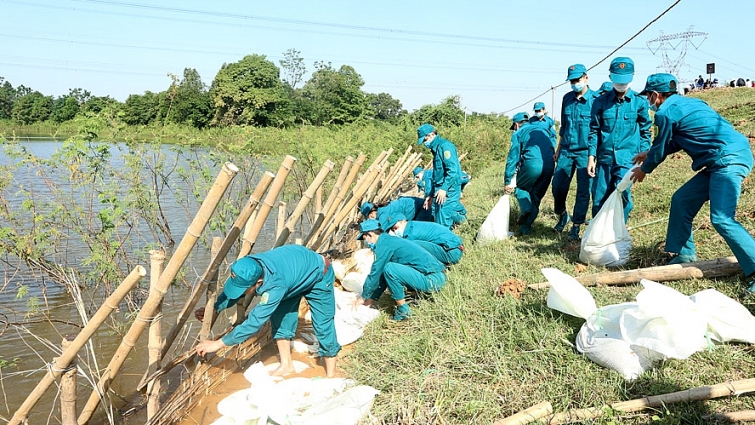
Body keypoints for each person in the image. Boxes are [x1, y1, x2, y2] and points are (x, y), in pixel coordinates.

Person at [630, 73, 755, 294]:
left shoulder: (665, 113)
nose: (648, 100)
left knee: (722, 218)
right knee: (682, 200)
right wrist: (648, 153)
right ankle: (684, 254)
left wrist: (645, 169)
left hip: (727, 160)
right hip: (720, 159)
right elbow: (678, 139)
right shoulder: (691, 103)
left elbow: (661, 148)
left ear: (656, 95)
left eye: (649, 96)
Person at [194, 245, 340, 377]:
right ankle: (286, 365)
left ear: (259, 283)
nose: (242, 293)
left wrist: (217, 344)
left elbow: (254, 323)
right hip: (293, 275)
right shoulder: (248, 266)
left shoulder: (275, 286)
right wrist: (214, 308)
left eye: (245, 290)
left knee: (323, 324)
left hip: (319, 275)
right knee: (280, 318)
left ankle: (331, 373)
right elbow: (236, 290)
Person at [587, 57, 652, 222]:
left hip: (628, 158)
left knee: (623, 196)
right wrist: (591, 157)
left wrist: (643, 156)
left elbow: (646, 131)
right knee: (599, 198)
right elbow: (594, 130)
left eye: (624, 81)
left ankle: (617, 234)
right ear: (610, 77)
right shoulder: (600, 102)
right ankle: (598, 235)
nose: (621, 85)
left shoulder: (639, 102)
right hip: (604, 159)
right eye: (618, 81)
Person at [351, 219, 446, 320]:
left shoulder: (383, 245)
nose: (366, 241)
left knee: (390, 268)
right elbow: (382, 276)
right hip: (436, 277)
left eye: (365, 238)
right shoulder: (389, 240)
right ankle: (416, 297)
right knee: (388, 269)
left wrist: (362, 298)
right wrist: (370, 300)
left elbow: (376, 273)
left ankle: (403, 310)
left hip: (433, 280)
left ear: (370, 234)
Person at [552, 63, 598, 240]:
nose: (574, 83)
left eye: (577, 80)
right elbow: (564, 126)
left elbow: (597, 129)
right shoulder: (566, 99)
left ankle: (576, 225)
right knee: (557, 186)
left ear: (586, 78)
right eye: (571, 81)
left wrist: (593, 155)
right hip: (566, 151)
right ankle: (562, 214)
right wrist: (558, 148)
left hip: (585, 153)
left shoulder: (596, 100)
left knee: (583, 191)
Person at [504, 112, 555, 235]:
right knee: (536, 196)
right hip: (550, 165)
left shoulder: (518, 133)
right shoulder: (542, 130)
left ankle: (525, 208)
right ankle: (525, 228)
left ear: (516, 125)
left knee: (520, 188)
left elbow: (513, 158)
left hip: (532, 164)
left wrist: (507, 180)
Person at [416, 124, 467, 228]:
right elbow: (437, 176)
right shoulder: (436, 150)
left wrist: (444, 189)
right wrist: (430, 195)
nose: (425, 143)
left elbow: (453, 171)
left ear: (431, 135)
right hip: (440, 189)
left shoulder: (445, 146)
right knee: (439, 218)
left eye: (425, 140)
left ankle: (448, 242)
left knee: (443, 221)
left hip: (449, 189)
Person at [382, 212, 464, 266]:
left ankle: (436, 269)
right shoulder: (414, 225)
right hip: (455, 247)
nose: (396, 231)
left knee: (413, 246)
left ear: (403, 221)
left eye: (396, 228)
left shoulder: (410, 233)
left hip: (451, 253)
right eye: (393, 230)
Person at [360, 196, 432, 223]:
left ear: (372, 213)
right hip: (418, 205)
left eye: (369, 217)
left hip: (421, 208)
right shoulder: (383, 208)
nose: (371, 219)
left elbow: (382, 234)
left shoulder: (383, 214)